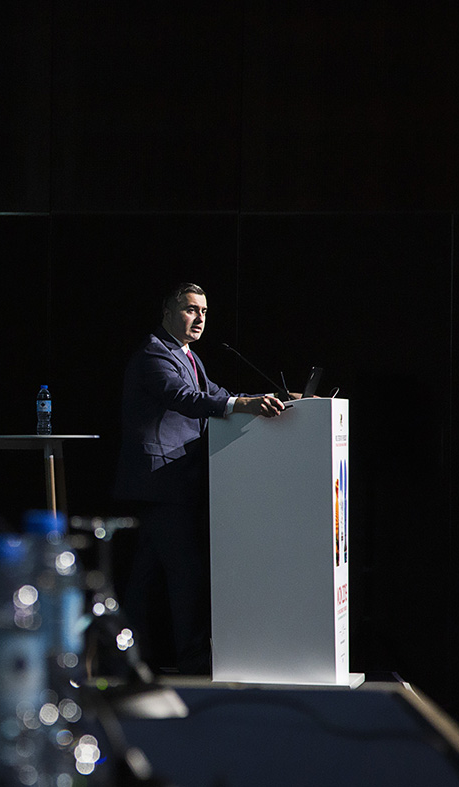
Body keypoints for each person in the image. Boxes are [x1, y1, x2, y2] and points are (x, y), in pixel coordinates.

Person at [113, 282, 285, 674]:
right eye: (191, 309)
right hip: (161, 482)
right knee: (184, 575)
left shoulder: (188, 356)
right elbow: (186, 399)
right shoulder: (154, 354)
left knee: (145, 580)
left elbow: (217, 393)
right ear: (167, 311)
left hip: (170, 483)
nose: (200, 318)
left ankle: (122, 662)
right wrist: (243, 404)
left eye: (204, 311)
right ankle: (191, 662)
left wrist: (271, 398)